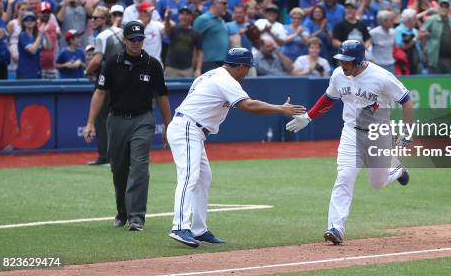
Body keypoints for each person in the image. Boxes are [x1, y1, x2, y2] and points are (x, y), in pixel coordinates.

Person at [168, 47, 305, 247]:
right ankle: (179, 227)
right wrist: (280, 109)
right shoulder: (225, 79)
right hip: (188, 128)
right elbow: (248, 105)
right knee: (189, 177)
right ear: (240, 66)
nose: (248, 72)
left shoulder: (212, 74)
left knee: (204, 178)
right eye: (247, 67)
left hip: (191, 129)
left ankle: (198, 229)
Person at [286, 40, 413, 245]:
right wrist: (308, 117)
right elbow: (329, 97)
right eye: (341, 59)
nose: (343, 64)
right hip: (350, 133)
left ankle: (396, 170)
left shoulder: (381, 77)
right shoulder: (338, 74)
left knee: (377, 183)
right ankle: (336, 227)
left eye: (347, 61)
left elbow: (406, 100)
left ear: (359, 60)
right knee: (344, 176)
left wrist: (408, 132)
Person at [83, 21, 172, 231]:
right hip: (117, 120)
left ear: (144, 40)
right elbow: (100, 93)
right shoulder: (112, 63)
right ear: (124, 40)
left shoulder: (153, 64)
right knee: (119, 170)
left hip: (143, 120)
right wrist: (89, 123)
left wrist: (169, 126)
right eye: (132, 39)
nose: (135, 42)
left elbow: (162, 97)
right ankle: (122, 211)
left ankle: (136, 217)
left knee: (140, 167)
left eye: (139, 39)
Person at [85, 6, 125, 166]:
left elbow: (95, 61)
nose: (93, 20)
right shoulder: (121, 31)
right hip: (124, 77)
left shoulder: (101, 36)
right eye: (92, 17)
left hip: (108, 79)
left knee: (102, 118)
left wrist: (86, 72)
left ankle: (105, 156)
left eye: (96, 18)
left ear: (104, 19)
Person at [165, 5, 203, 78]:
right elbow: (166, 32)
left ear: (191, 17)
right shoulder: (173, 28)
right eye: (182, 14)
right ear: (179, 16)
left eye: (187, 14)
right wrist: (167, 18)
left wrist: (198, 69)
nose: (184, 16)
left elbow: (200, 52)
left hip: (187, 69)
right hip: (171, 68)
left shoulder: (195, 33)